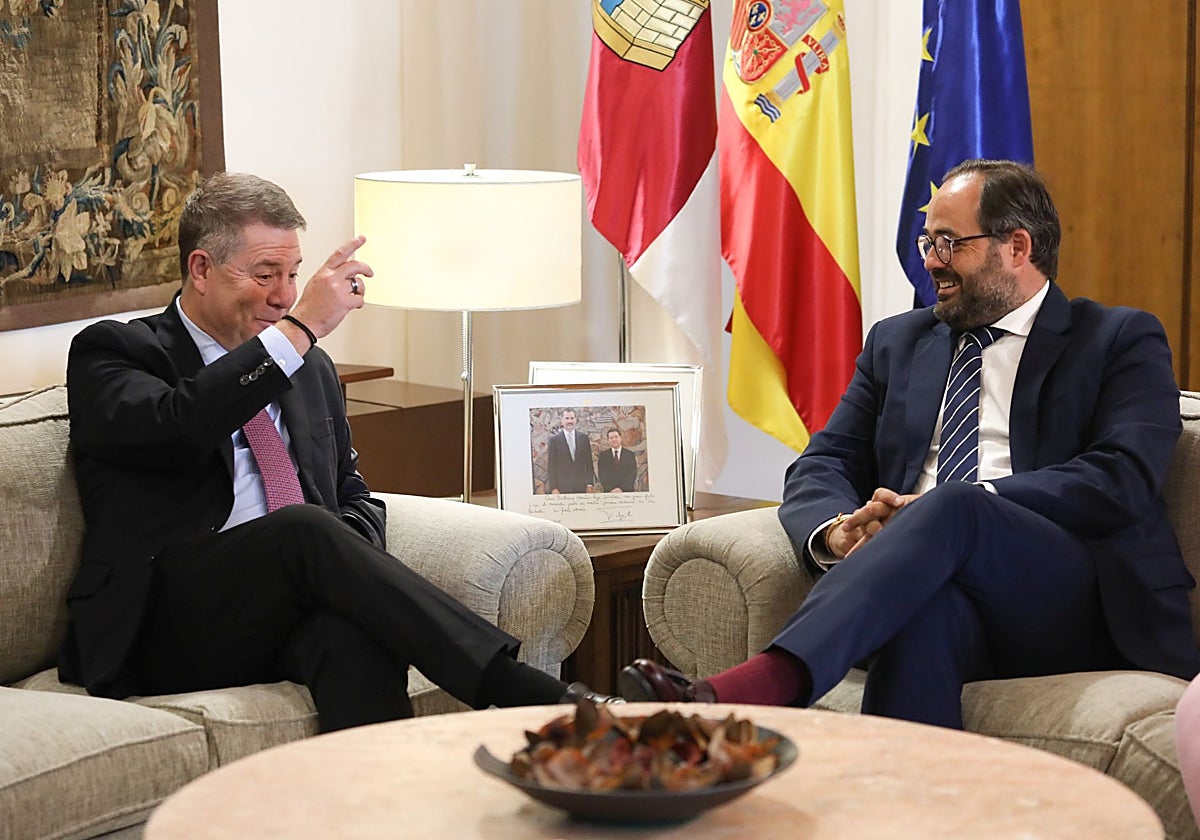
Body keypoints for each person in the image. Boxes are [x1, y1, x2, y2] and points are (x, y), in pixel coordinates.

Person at [619, 159, 1200, 728]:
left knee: (960, 502)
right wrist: (834, 529)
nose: (931, 263)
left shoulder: (1118, 338)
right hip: (935, 585)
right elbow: (824, 460)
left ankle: (764, 682)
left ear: (1017, 248)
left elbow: (1120, 477)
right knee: (926, 616)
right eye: (926, 243)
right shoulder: (898, 342)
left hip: (1070, 599)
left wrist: (972, 504)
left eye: (948, 244)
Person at [57, 172, 616, 732]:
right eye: (265, 274)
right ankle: (527, 690)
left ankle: (383, 811)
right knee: (302, 528)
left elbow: (354, 495)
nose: (283, 295)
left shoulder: (308, 368)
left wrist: (343, 569)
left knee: (350, 635)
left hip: (272, 608)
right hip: (160, 626)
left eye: (294, 274)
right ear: (201, 269)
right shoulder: (116, 353)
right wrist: (297, 332)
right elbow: (181, 424)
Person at [545, 408, 594, 494]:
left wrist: (590, 484)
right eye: (567, 418)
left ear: (576, 420)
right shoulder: (554, 440)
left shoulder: (584, 438)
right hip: (562, 488)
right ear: (562, 421)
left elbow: (589, 463)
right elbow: (551, 466)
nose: (569, 421)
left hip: (581, 487)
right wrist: (553, 488)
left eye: (572, 418)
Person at [596, 427, 637, 492]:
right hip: (609, 492)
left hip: (626, 492)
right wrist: (612, 489)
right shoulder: (603, 456)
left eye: (616, 437)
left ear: (620, 438)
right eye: (611, 438)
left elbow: (632, 474)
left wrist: (621, 489)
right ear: (608, 440)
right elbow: (602, 475)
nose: (614, 439)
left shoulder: (630, 455)